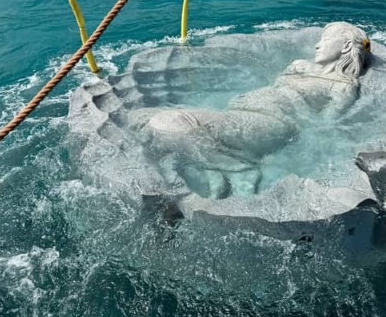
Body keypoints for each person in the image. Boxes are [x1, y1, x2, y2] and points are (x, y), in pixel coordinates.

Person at [129, 22, 372, 197]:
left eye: (326, 39)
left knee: (171, 124)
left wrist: (295, 105)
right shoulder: (299, 66)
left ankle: (238, 167)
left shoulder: (343, 85)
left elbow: (323, 124)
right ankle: (214, 163)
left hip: (270, 122)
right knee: (143, 119)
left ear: (345, 46)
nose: (318, 45)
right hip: (239, 112)